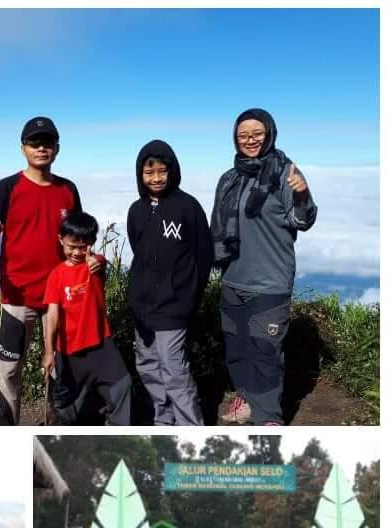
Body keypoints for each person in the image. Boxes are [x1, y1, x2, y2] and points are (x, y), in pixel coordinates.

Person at [0, 116, 89, 425]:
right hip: (16, 297)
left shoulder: (68, 190)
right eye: (34, 143)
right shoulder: (7, 188)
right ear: (23, 149)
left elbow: (78, 237)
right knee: (8, 370)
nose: (41, 148)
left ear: (57, 149)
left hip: (57, 298)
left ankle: (56, 431)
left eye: (47, 142)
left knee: (60, 368)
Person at [211, 108, 318, 425]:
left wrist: (302, 193)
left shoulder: (285, 173)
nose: (250, 140)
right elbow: (216, 226)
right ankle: (245, 400)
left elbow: (303, 219)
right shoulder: (230, 178)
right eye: (243, 135)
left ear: (269, 134)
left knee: (266, 353)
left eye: (257, 134)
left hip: (270, 282)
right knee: (237, 349)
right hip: (233, 279)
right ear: (235, 139)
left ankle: (269, 417)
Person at [127, 139, 212, 426]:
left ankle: (190, 427)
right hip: (143, 308)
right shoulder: (137, 210)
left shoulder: (188, 208)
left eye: (162, 171)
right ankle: (163, 422)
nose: (156, 178)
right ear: (140, 175)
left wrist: (188, 298)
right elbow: (138, 249)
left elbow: (204, 256)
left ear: (172, 170)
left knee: (174, 369)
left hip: (174, 306)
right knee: (148, 366)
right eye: (149, 173)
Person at [42, 210, 132, 425]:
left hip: (101, 344)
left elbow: (99, 263)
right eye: (71, 246)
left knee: (122, 386)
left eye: (83, 247)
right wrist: (48, 351)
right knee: (70, 408)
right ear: (60, 240)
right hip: (68, 350)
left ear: (91, 244)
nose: (76, 252)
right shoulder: (56, 275)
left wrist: (95, 263)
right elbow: (52, 313)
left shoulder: (95, 265)